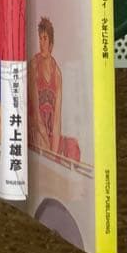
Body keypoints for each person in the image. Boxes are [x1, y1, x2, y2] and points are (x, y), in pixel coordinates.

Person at [29, 16, 81, 161]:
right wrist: (47, 145)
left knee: (72, 148)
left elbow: (57, 119)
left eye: (45, 39)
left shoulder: (57, 74)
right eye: (40, 39)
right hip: (36, 128)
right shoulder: (34, 66)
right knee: (41, 143)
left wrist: (54, 152)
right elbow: (35, 114)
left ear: (51, 43)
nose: (41, 43)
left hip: (51, 132)